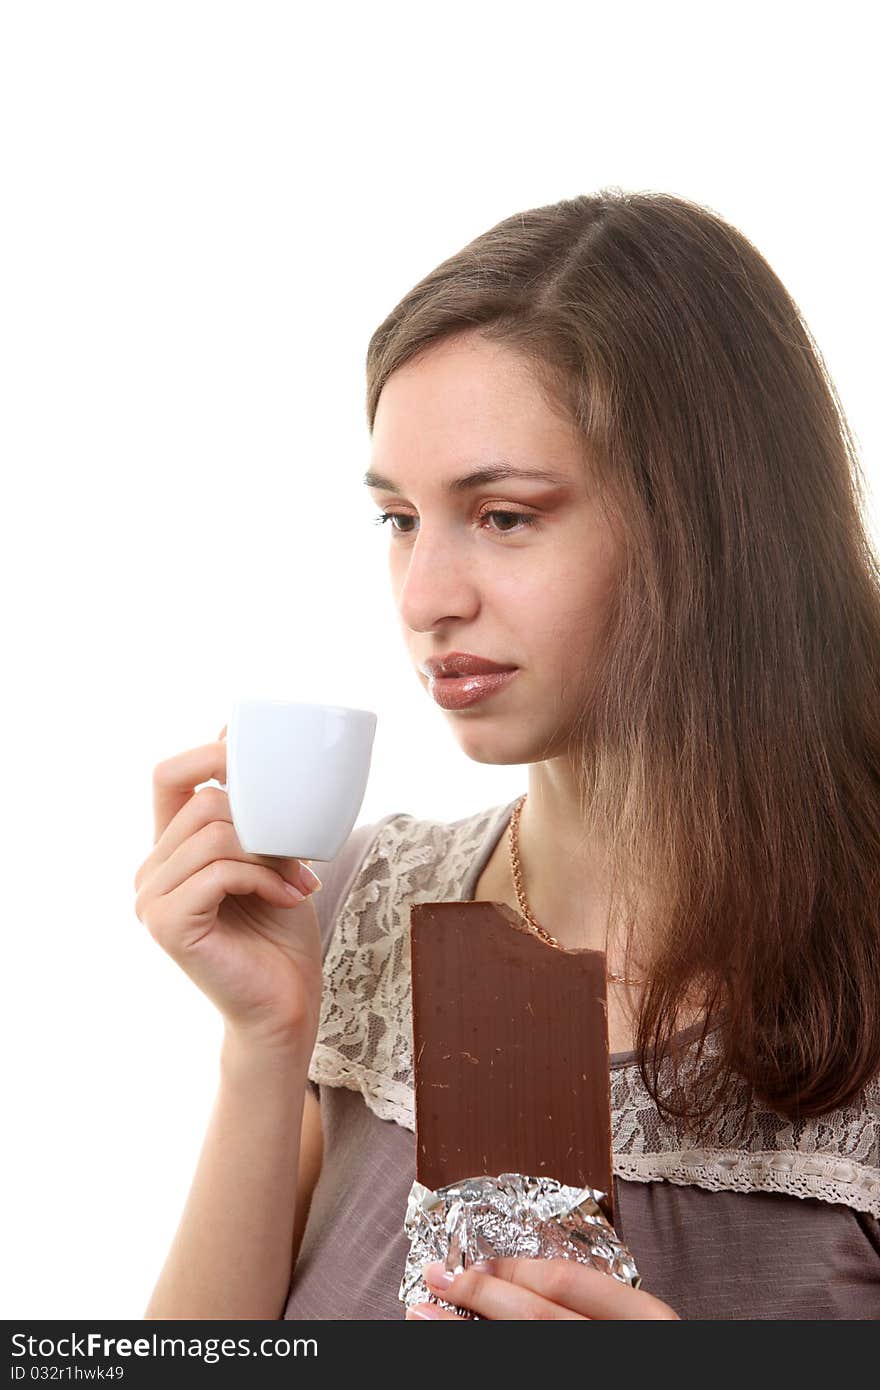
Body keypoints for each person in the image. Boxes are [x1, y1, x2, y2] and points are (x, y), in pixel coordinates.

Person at [134, 189, 880, 1321]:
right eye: (399, 519)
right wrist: (264, 1043)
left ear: (707, 526)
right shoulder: (355, 907)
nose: (426, 597)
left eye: (505, 515)